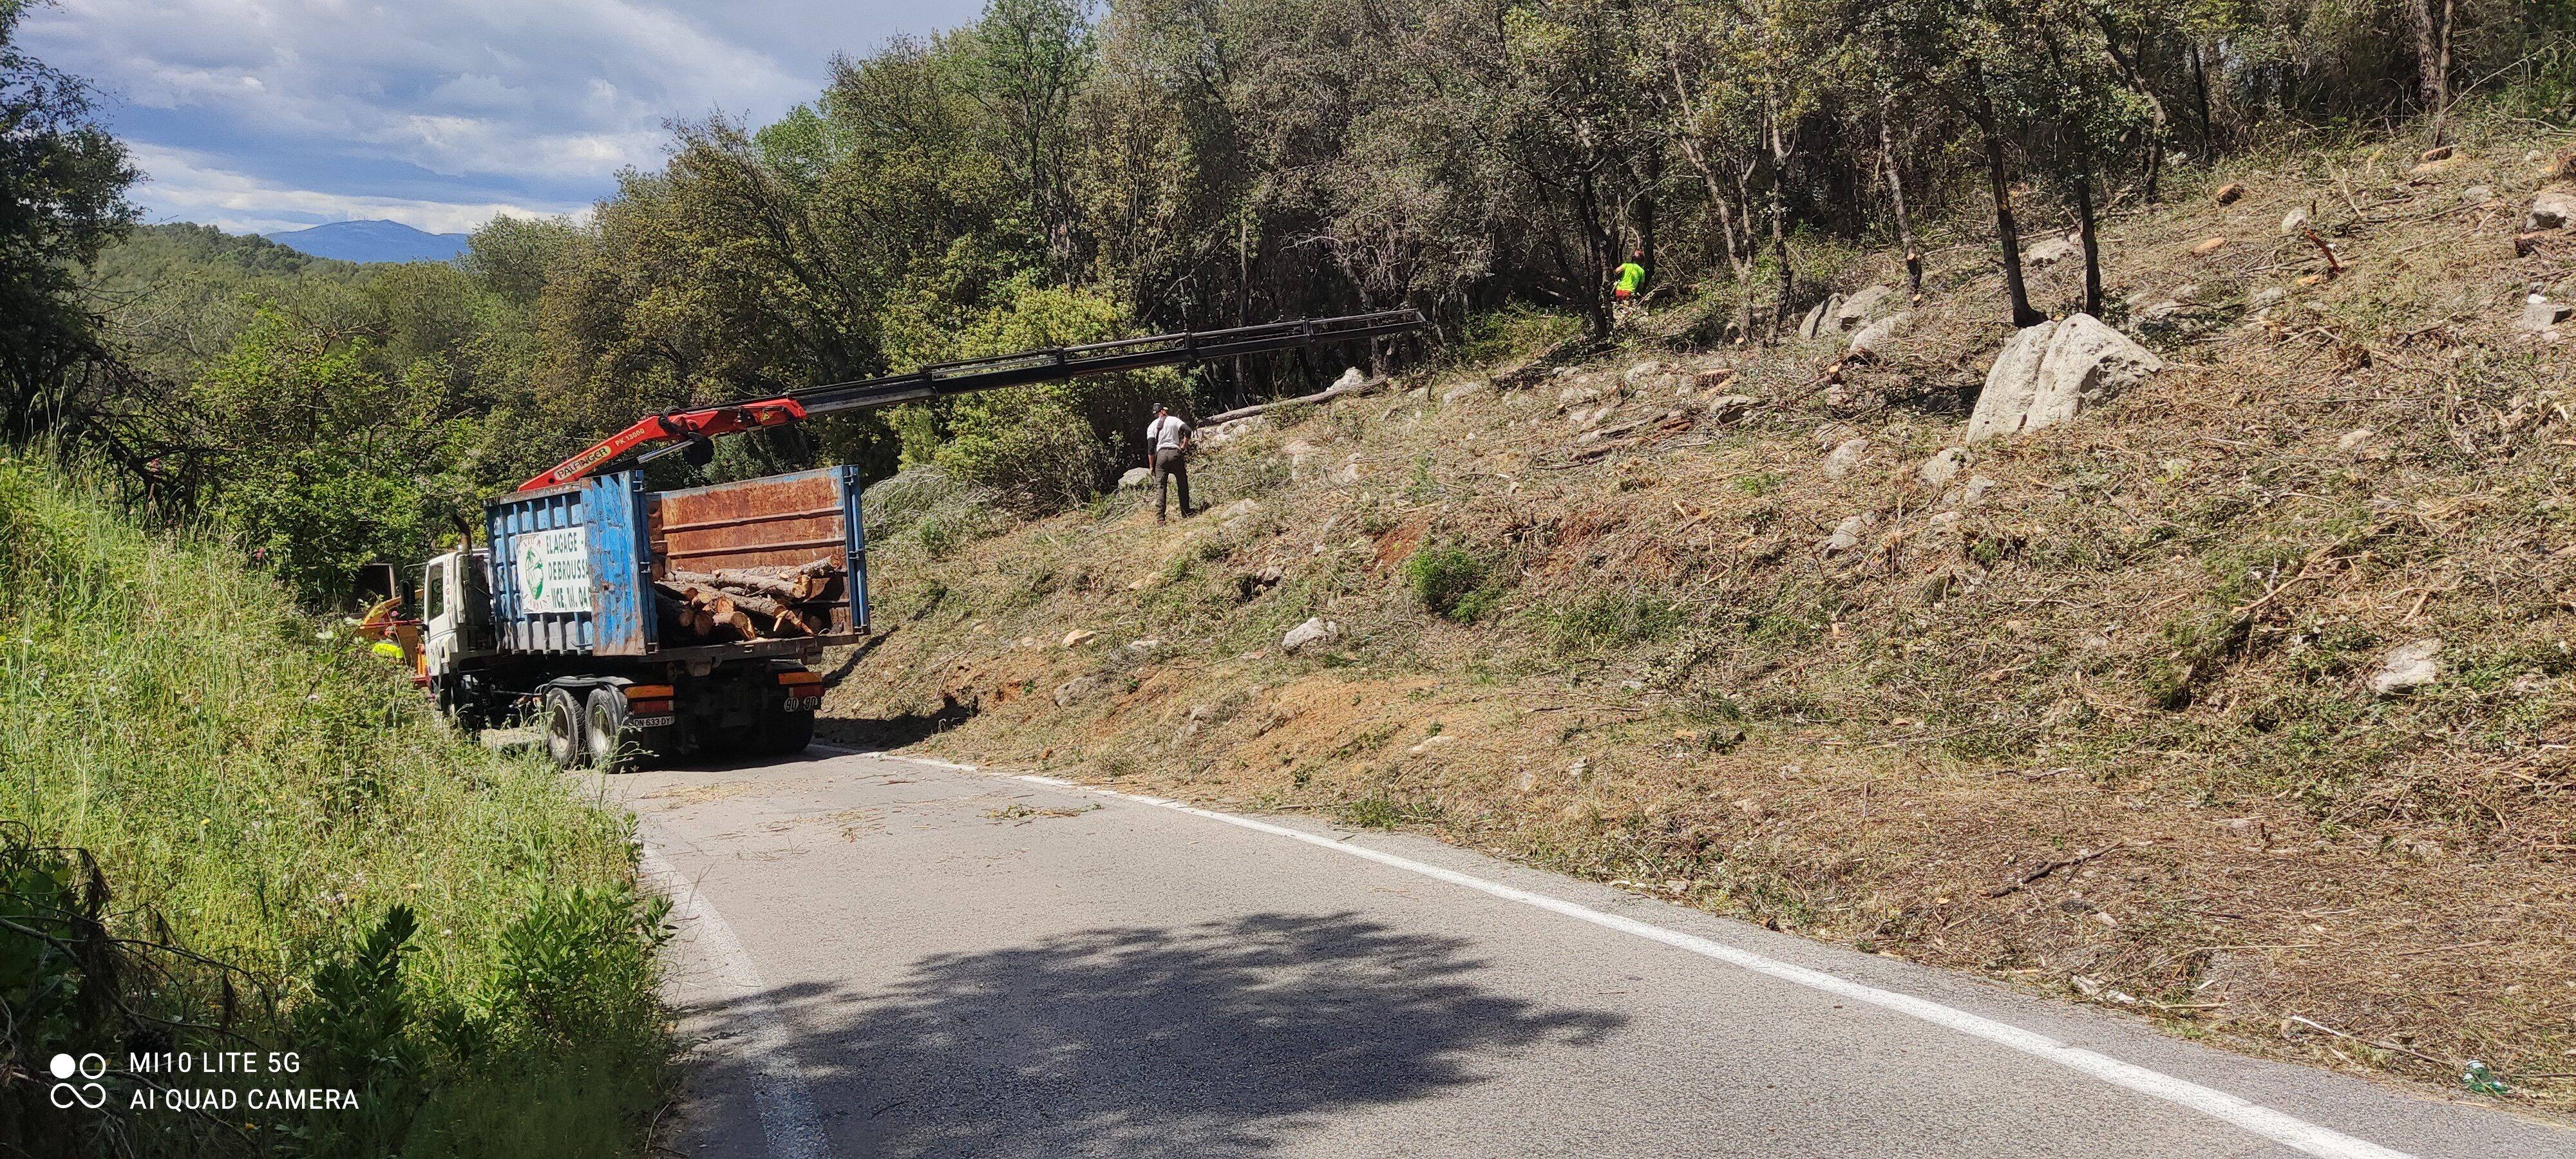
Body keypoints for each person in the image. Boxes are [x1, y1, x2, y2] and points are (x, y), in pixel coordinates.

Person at [1144, 403, 1194, 522]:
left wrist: (1152, 466)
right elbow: (1187, 430)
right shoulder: (1173, 420)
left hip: (1161, 456)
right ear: (1163, 411)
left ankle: (1161, 518)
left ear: (1156, 414)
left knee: (1161, 486)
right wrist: (1184, 445)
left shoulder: (1151, 426)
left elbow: (1151, 449)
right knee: (1182, 483)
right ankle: (1186, 512)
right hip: (1175, 453)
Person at [1611, 249, 1647, 328]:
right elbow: (1641, 286)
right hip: (1628, 292)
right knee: (1627, 312)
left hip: (1619, 291)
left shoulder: (1626, 265)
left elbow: (1617, 271)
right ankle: (1623, 327)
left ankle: (1616, 325)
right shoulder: (1642, 271)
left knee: (1619, 309)